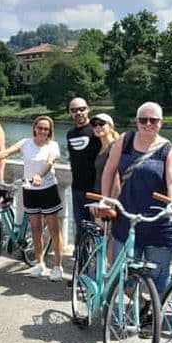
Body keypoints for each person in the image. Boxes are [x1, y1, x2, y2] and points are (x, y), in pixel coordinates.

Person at [101, 102, 172, 294]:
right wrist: (105, 199)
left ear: (160, 123)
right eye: (143, 120)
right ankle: (137, 310)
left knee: (159, 277)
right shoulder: (125, 140)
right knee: (124, 273)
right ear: (136, 121)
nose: (148, 124)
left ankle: (156, 316)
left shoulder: (169, 149)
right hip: (127, 218)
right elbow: (109, 170)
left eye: (153, 120)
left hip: (159, 221)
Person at [0, 116, 64, 281]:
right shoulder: (26, 143)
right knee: (35, 227)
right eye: (40, 128)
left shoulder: (53, 145)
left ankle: (58, 266)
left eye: (46, 129)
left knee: (53, 228)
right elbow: (7, 152)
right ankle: (39, 264)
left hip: (48, 189)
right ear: (35, 128)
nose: (43, 131)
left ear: (50, 131)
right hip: (29, 189)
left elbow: (50, 161)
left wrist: (39, 175)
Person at [66, 98, 101, 264]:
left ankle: (97, 270)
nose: (78, 112)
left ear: (88, 109)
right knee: (80, 229)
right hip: (77, 189)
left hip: (95, 190)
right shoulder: (70, 134)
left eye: (81, 109)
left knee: (96, 231)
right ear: (70, 113)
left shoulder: (96, 131)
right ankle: (81, 269)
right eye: (74, 110)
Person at [89, 113, 120, 196]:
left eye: (101, 124)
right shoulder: (99, 148)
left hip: (108, 197)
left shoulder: (115, 147)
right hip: (97, 195)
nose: (97, 127)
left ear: (111, 127)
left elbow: (117, 177)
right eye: (94, 125)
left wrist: (110, 201)